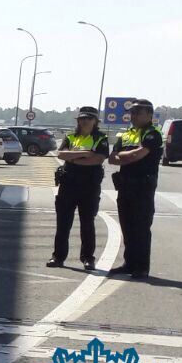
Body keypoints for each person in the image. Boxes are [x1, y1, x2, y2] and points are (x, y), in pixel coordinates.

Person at [47, 107, 108, 270]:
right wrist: (84, 153)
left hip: (89, 186)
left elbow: (98, 159)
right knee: (63, 223)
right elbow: (61, 154)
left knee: (87, 223)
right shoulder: (70, 137)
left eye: (89, 119)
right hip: (68, 184)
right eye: (82, 119)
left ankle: (88, 258)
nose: (85, 121)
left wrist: (73, 157)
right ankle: (58, 257)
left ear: (95, 122)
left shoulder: (101, 138)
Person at [108, 99, 163, 280]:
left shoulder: (152, 134)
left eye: (137, 113)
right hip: (125, 185)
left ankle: (141, 267)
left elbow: (137, 155)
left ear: (149, 115)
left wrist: (124, 156)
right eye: (132, 113)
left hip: (142, 186)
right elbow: (112, 158)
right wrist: (126, 156)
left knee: (141, 227)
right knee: (127, 226)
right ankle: (129, 263)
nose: (133, 116)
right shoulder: (126, 135)